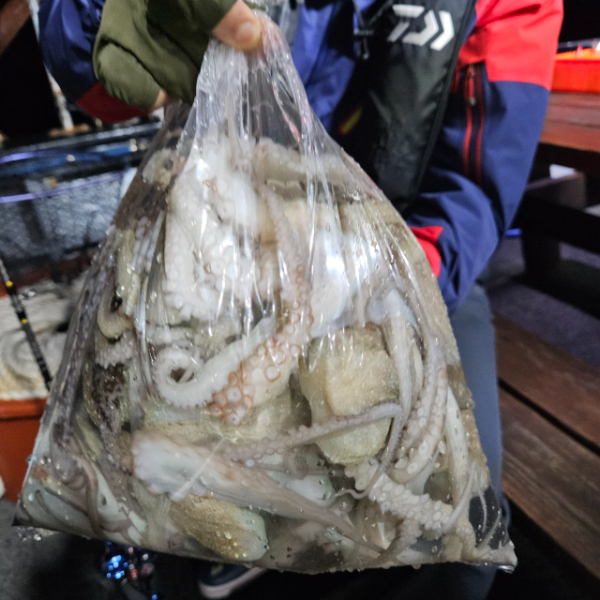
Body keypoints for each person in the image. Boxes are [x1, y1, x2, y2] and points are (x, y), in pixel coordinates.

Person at [36, 0, 563, 598]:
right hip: (230, 244)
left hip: (406, 265)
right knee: (149, 423)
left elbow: (473, 187)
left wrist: (381, 289)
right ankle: (233, 522)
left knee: (461, 531)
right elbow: (101, 79)